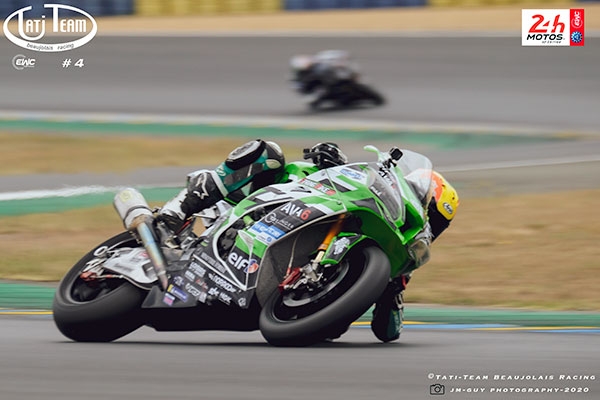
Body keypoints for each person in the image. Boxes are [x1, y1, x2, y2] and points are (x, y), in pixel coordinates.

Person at [158, 139, 459, 343]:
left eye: (437, 223)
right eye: (430, 211)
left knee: (330, 335)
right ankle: (177, 210)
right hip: (264, 207)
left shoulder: (396, 268)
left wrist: (393, 289)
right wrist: (328, 159)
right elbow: (320, 170)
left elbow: (388, 332)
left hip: (277, 313)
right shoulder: (364, 184)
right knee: (267, 153)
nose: (430, 223)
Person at [289, 50, 360, 108]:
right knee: (313, 102)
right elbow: (299, 89)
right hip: (319, 89)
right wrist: (309, 91)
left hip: (332, 81)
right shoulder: (297, 78)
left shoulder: (320, 61)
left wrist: (341, 62)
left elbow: (340, 55)